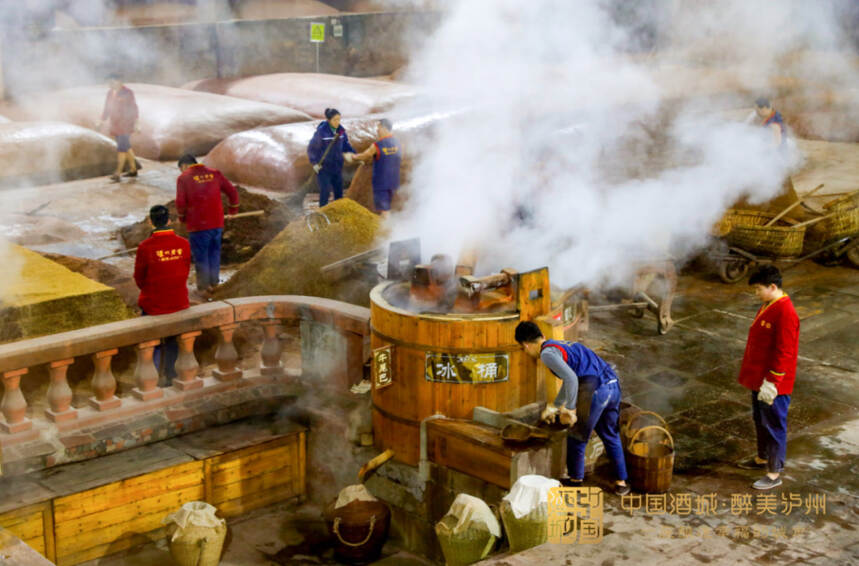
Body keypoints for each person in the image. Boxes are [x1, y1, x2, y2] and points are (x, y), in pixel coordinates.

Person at [515, 321, 630, 495]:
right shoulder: (557, 345)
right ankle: (621, 483)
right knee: (610, 434)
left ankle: (576, 481)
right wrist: (554, 405)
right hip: (612, 385)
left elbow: (572, 380)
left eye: (523, 349)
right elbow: (570, 379)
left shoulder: (546, 354)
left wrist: (569, 409)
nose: (526, 352)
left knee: (576, 436)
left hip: (596, 391)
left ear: (526, 344)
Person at [736, 265, 799, 490]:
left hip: (774, 383)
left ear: (773, 287)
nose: (756, 294)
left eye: (758, 289)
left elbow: (785, 352)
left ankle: (774, 473)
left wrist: (773, 382)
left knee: (773, 425)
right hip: (760, 379)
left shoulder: (786, 312)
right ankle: (762, 458)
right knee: (759, 420)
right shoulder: (769, 304)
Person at [134, 205, 191, 384]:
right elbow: (185, 271)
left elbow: (139, 278)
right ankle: (172, 376)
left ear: (151, 222)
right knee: (173, 341)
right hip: (179, 302)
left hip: (154, 305)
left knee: (152, 342)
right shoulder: (184, 243)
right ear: (169, 220)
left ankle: (152, 379)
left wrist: (153, 290)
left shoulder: (145, 247)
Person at [175, 154, 239, 294]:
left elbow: (180, 202)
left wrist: (182, 218)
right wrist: (233, 210)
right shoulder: (215, 174)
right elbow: (232, 192)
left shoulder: (184, 178)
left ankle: (204, 286)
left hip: (198, 224)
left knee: (201, 255)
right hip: (217, 223)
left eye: (181, 169)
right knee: (214, 252)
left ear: (184, 165)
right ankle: (214, 282)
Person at [307, 108, 357, 207]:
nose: (337, 122)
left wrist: (353, 154)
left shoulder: (341, 131)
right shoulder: (321, 132)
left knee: (338, 191)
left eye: (339, 119)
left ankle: (337, 212)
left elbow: (346, 145)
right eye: (335, 120)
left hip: (337, 166)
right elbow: (312, 148)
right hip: (324, 167)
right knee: (325, 191)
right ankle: (323, 212)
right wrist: (315, 163)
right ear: (329, 120)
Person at [354, 118, 402, 218]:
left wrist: (353, 157)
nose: (377, 130)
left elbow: (364, 156)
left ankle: (387, 230)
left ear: (384, 128)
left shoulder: (377, 146)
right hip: (394, 182)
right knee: (391, 207)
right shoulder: (397, 143)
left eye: (378, 127)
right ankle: (395, 227)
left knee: (384, 210)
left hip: (381, 184)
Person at [97, 74, 139, 182]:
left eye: (112, 82)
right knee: (126, 147)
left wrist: (137, 123)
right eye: (109, 82)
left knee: (121, 148)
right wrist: (102, 120)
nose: (110, 84)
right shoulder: (110, 93)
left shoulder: (128, 93)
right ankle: (133, 170)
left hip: (126, 125)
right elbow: (107, 108)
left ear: (120, 81)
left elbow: (134, 108)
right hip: (115, 125)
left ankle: (118, 173)